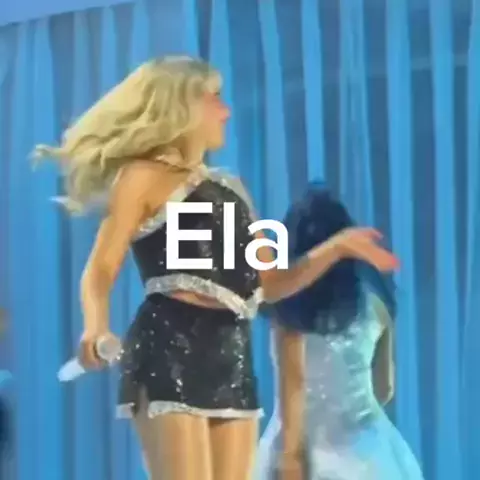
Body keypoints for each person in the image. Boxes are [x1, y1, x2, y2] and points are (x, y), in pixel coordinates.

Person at [33, 57, 398, 480]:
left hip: (231, 351)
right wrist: (95, 326)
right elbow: (101, 268)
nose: (226, 111)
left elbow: (270, 284)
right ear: (182, 105)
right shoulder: (142, 177)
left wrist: (336, 248)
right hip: (168, 344)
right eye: (215, 98)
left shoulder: (232, 188)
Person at [254, 183, 424, 480]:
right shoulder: (376, 308)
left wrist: (290, 457)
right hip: (368, 455)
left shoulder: (289, 314)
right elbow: (384, 388)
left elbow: (293, 384)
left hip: (300, 453)